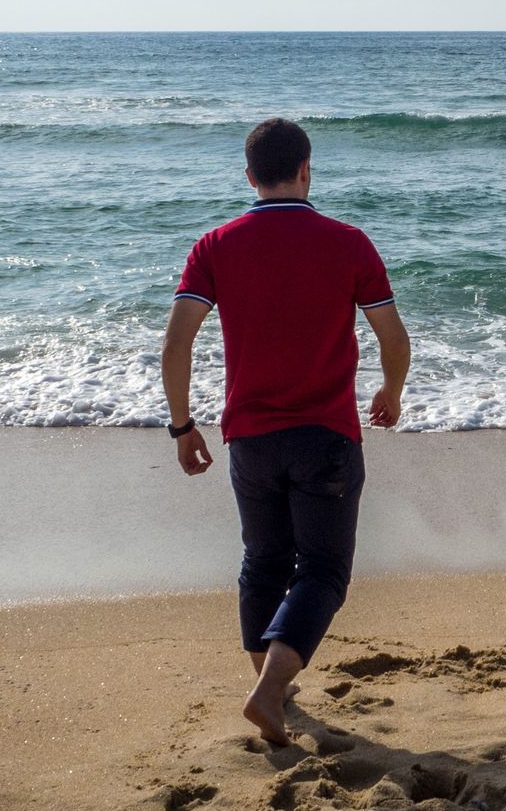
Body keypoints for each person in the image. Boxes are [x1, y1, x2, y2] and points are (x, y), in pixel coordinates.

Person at [160, 116, 411, 746]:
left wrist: (182, 424)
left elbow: (178, 341)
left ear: (249, 176)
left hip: (249, 436)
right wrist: (392, 391)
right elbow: (392, 337)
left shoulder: (215, 245)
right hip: (325, 434)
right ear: (306, 170)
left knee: (263, 562)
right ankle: (270, 689)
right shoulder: (348, 242)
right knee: (323, 571)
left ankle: (268, 682)